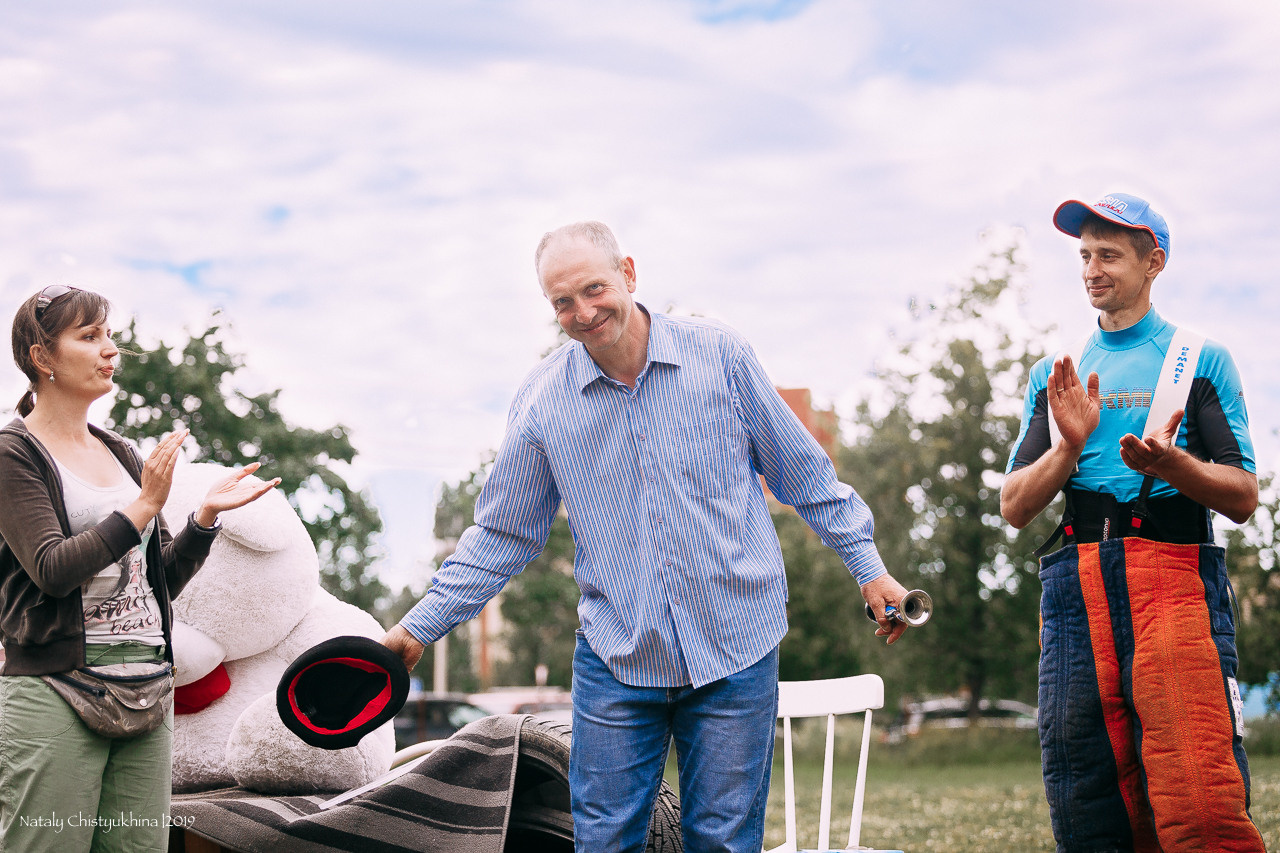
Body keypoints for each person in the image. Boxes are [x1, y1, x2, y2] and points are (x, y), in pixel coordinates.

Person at [382, 221, 908, 852]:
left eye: (594, 288)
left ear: (628, 273)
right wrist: (419, 627)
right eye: (562, 302)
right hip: (617, 654)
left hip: (735, 642)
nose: (583, 311)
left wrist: (868, 566)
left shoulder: (721, 355)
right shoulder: (544, 403)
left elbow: (804, 475)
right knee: (603, 841)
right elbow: (503, 534)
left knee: (721, 842)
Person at [1000, 193, 1265, 851]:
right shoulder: (1054, 375)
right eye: (1085, 254)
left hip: (1174, 580)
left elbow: (1242, 495)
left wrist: (1175, 464)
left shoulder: (1199, 359)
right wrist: (1068, 447)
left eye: (1109, 254)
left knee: (1199, 794)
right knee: (1088, 797)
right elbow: (1013, 506)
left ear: (1155, 262)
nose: (1092, 268)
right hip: (1075, 590)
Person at [0, 284, 280, 853]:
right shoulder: (14, 454)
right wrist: (145, 505)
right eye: (90, 337)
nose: (110, 350)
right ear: (41, 356)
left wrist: (202, 521)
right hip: (56, 693)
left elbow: (158, 583)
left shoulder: (122, 452)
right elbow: (51, 570)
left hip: (147, 690)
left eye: (109, 335)